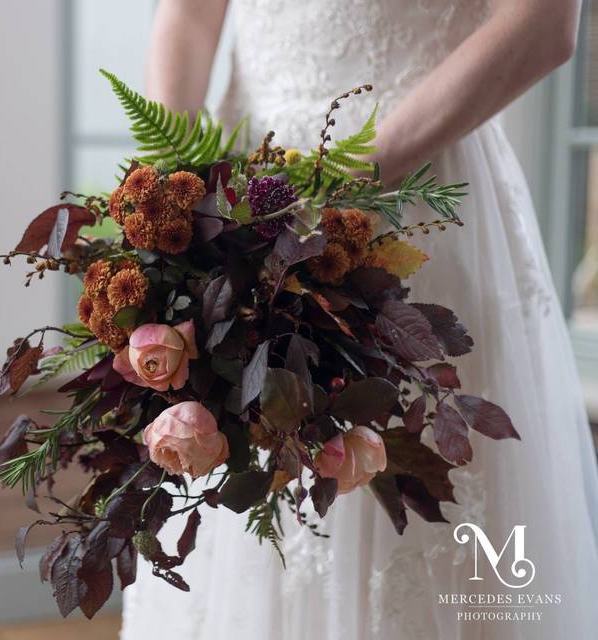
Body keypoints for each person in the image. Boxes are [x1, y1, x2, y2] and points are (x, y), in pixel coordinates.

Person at [120, 1, 598, 638]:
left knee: (398, 485)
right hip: (241, 192)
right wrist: (173, 184)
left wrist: (346, 182)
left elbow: (544, 25)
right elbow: (190, 13)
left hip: (413, 191)